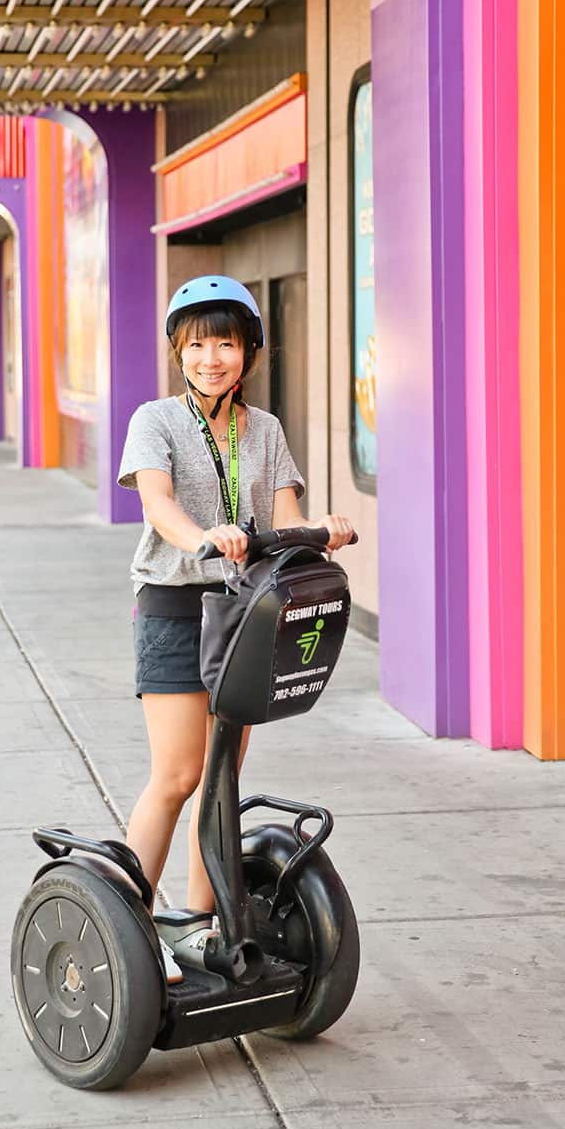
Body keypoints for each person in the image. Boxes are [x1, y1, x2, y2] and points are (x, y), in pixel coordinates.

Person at [117, 275, 355, 983]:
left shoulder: (268, 430)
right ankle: (131, 920)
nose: (211, 358)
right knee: (178, 773)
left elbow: (281, 517)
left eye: (225, 343)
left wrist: (323, 532)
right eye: (196, 344)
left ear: (249, 351)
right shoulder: (155, 420)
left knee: (223, 775)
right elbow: (157, 502)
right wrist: (201, 537)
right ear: (177, 352)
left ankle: (199, 924)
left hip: (244, 610)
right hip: (173, 603)